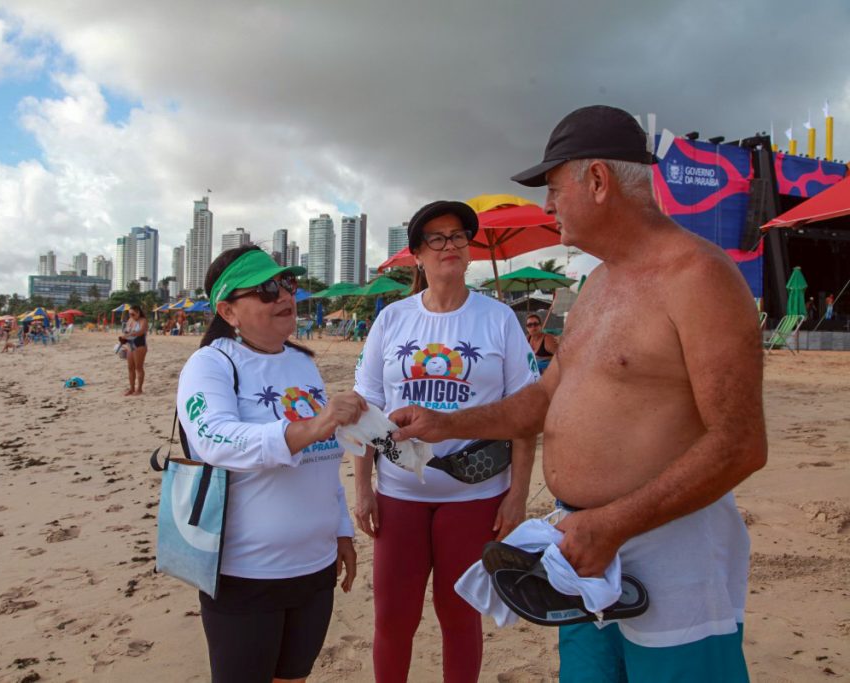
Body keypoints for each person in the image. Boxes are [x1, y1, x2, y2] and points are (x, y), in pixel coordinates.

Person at [390, 105, 767, 682]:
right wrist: (447, 424)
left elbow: (741, 443)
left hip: (669, 544)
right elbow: (544, 397)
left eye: (554, 188)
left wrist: (615, 522)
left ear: (597, 181)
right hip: (582, 546)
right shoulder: (598, 283)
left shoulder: (699, 277)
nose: (547, 206)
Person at [353, 201, 539, 683]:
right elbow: (364, 409)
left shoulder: (499, 320)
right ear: (417, 254)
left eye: (458, 236)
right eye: (435, 238)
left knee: (460, 619)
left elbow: (525, 415)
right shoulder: (391, 321)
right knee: (394, 619)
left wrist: (518, 495)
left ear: (470, 251)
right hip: (398, 495)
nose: (448, 245)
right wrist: (363, 488)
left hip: (475, 495)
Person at [176, 245, 365, 683]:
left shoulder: (301, 363)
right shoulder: (210, 364)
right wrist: (310, 428)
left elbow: (323, 463)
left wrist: (340, 529)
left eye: (287, 284)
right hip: (247, 572)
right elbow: (213, 439)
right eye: (265, 290)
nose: (283, 296)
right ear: (228, 310)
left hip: (315, 568)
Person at [119, 305, 149, 396]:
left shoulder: (143, 321)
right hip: (130, 345)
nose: (131, 316)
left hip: (139, 345)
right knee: (130, 367)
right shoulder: (130, 320)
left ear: (138, 313)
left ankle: (139, 389)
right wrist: (124, 339)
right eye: (129, 314)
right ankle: (131, 388)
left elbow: (140, 332)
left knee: (138, 368)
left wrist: (128, 335)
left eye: (133, 314)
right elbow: (126, 331)